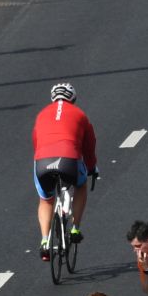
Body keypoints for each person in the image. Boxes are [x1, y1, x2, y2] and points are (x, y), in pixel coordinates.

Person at [36, 84, 99, 264]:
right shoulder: (80, 114)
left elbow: (36, 141)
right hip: (69, 160)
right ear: (73, 99)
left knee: (46, 200)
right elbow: (89, 146)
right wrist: (92, 167)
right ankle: (75, 228)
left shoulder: (41, 114)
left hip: (42, 160)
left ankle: (44, 240)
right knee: (80, 185)